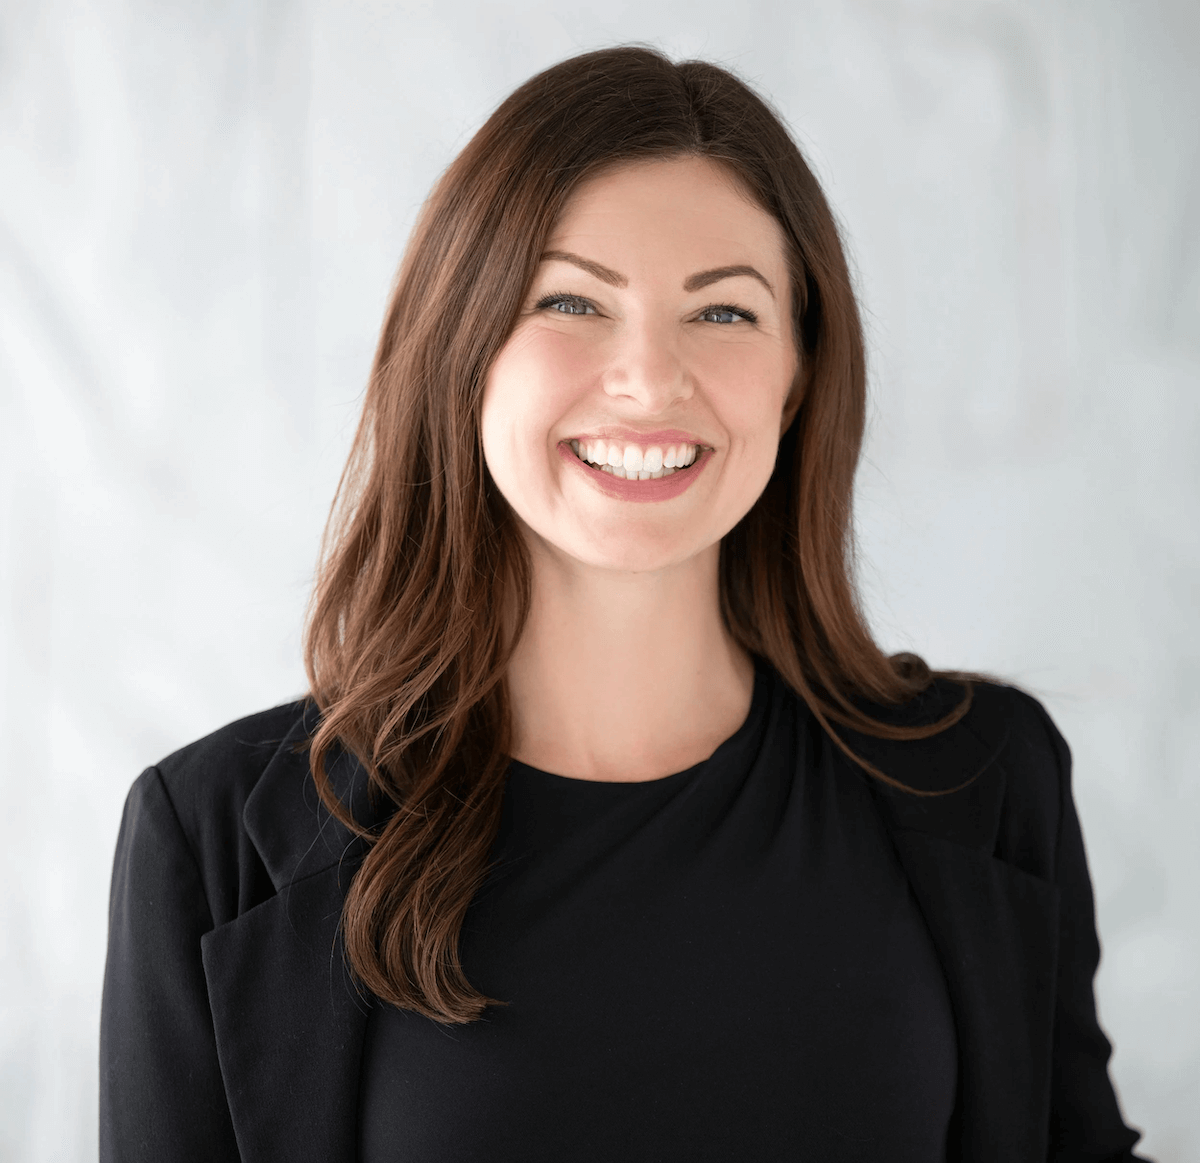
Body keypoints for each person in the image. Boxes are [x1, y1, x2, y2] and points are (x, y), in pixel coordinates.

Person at [100, 45, 1148, 1163]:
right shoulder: (215, 841)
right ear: (464, 351)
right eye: (572, 300)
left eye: (725, 312)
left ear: (799, 374)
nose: (650, 379)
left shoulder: (986, 780)